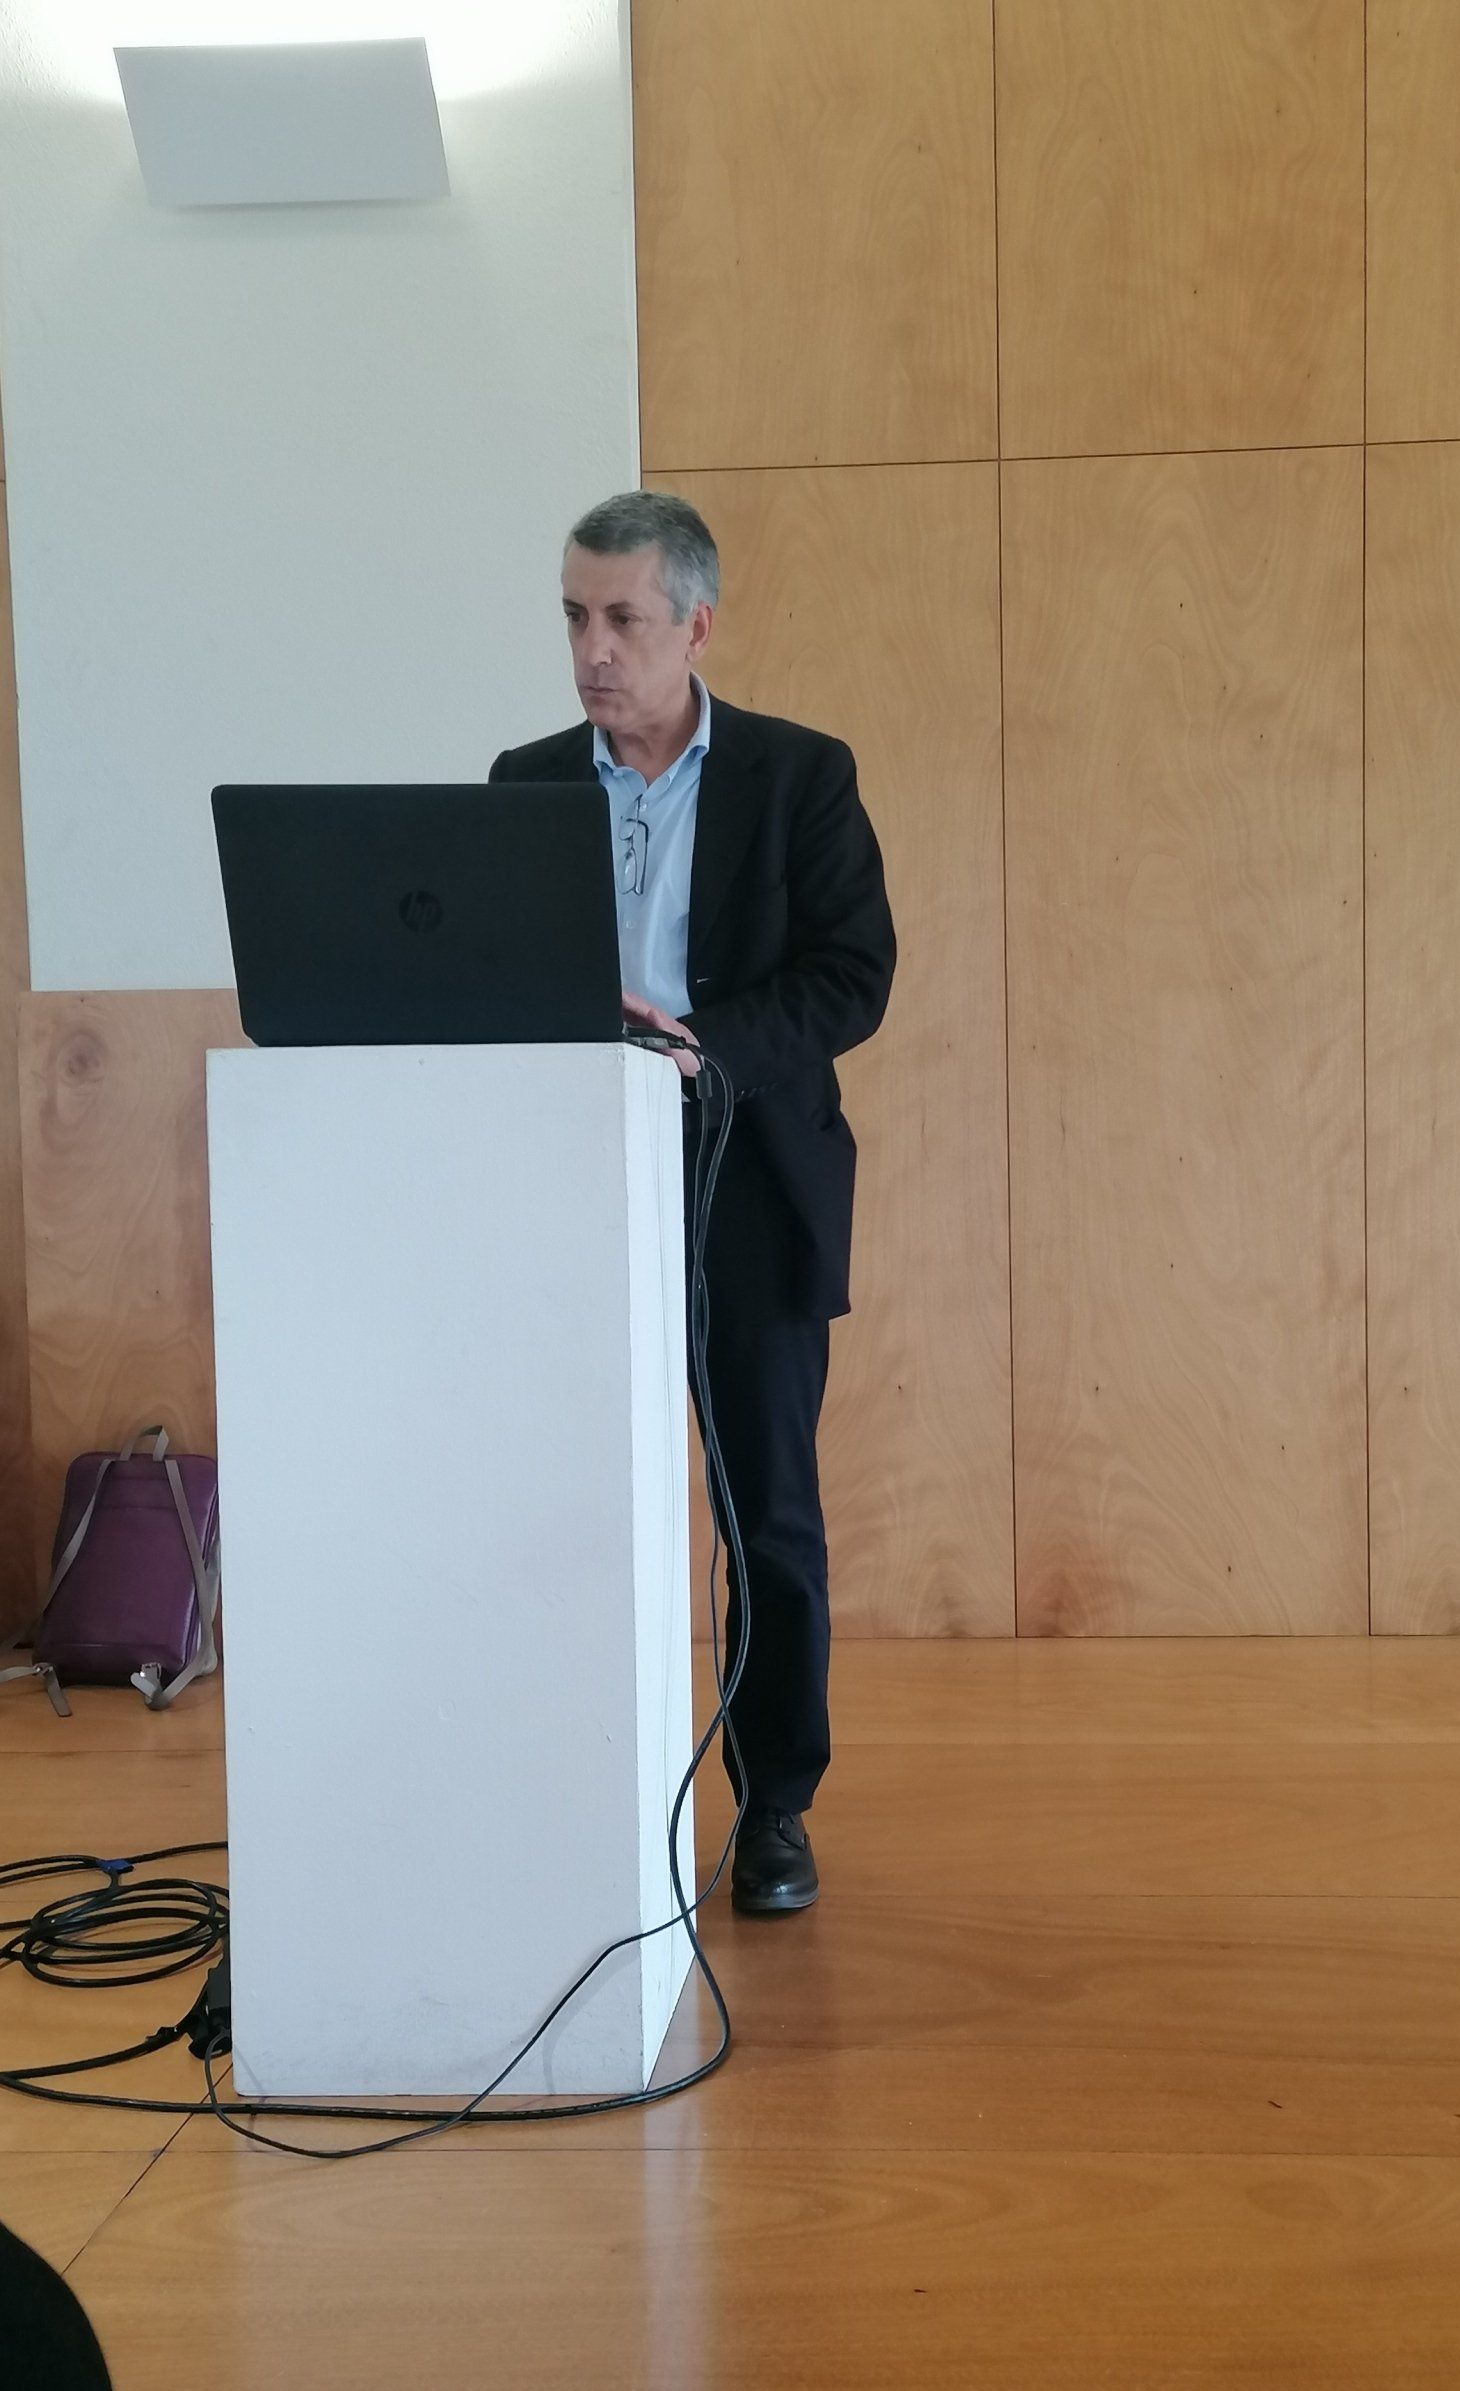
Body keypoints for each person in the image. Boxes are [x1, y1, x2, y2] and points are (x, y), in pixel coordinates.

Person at [490, 492, 895, 1913]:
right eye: (573, 618)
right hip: (573, 1185)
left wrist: (703, 1047)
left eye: (622, 619)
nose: (591, 651)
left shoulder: (799, 776)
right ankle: (572, 1785)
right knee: (565, 1503)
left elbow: (853, 975)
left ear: (695, 626)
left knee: (764, 1507)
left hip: (748, 1174)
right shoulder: (526, 784)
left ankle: (774, 1804)